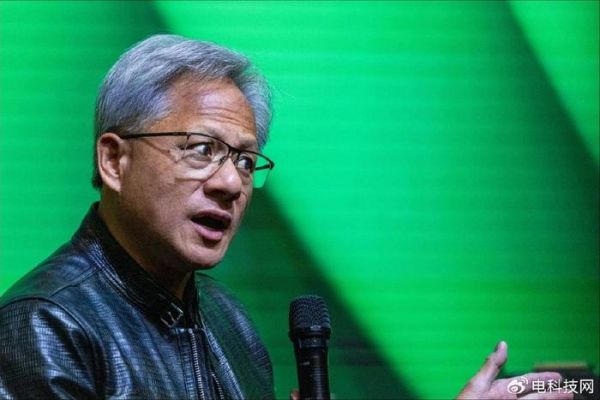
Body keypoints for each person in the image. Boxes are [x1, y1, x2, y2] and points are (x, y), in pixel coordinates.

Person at [0, 34, 573, 400]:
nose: (231, 183)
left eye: (246, 161)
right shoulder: (44, 328)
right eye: (201, 149)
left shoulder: (228, 318)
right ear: (114, 160)